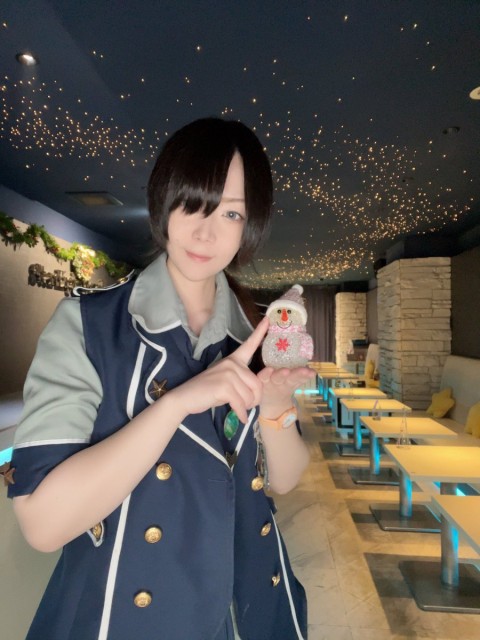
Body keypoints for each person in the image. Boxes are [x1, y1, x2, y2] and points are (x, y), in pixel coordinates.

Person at [7, 117, 312, 640]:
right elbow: (43, 524)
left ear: (249, 226)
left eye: (231, 213)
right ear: (164, 203)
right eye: (193, 204)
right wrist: (175, 405)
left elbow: (282, 481)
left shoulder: (253, 337)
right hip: (127, 619)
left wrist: (277, 403)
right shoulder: (88, 327)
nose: (206, 232)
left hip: (249, 615)